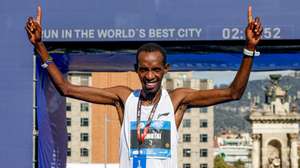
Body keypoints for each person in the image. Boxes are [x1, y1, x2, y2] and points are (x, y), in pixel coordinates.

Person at [26, 6, 263, 168]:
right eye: (144, 69)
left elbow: (234, 92)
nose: (150, 75)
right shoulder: (123, 98)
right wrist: (40, 46)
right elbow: (67, 89)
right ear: (137, 69)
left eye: (156, 69)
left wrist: (249, 49)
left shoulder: (177, 100)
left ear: (165, 70)